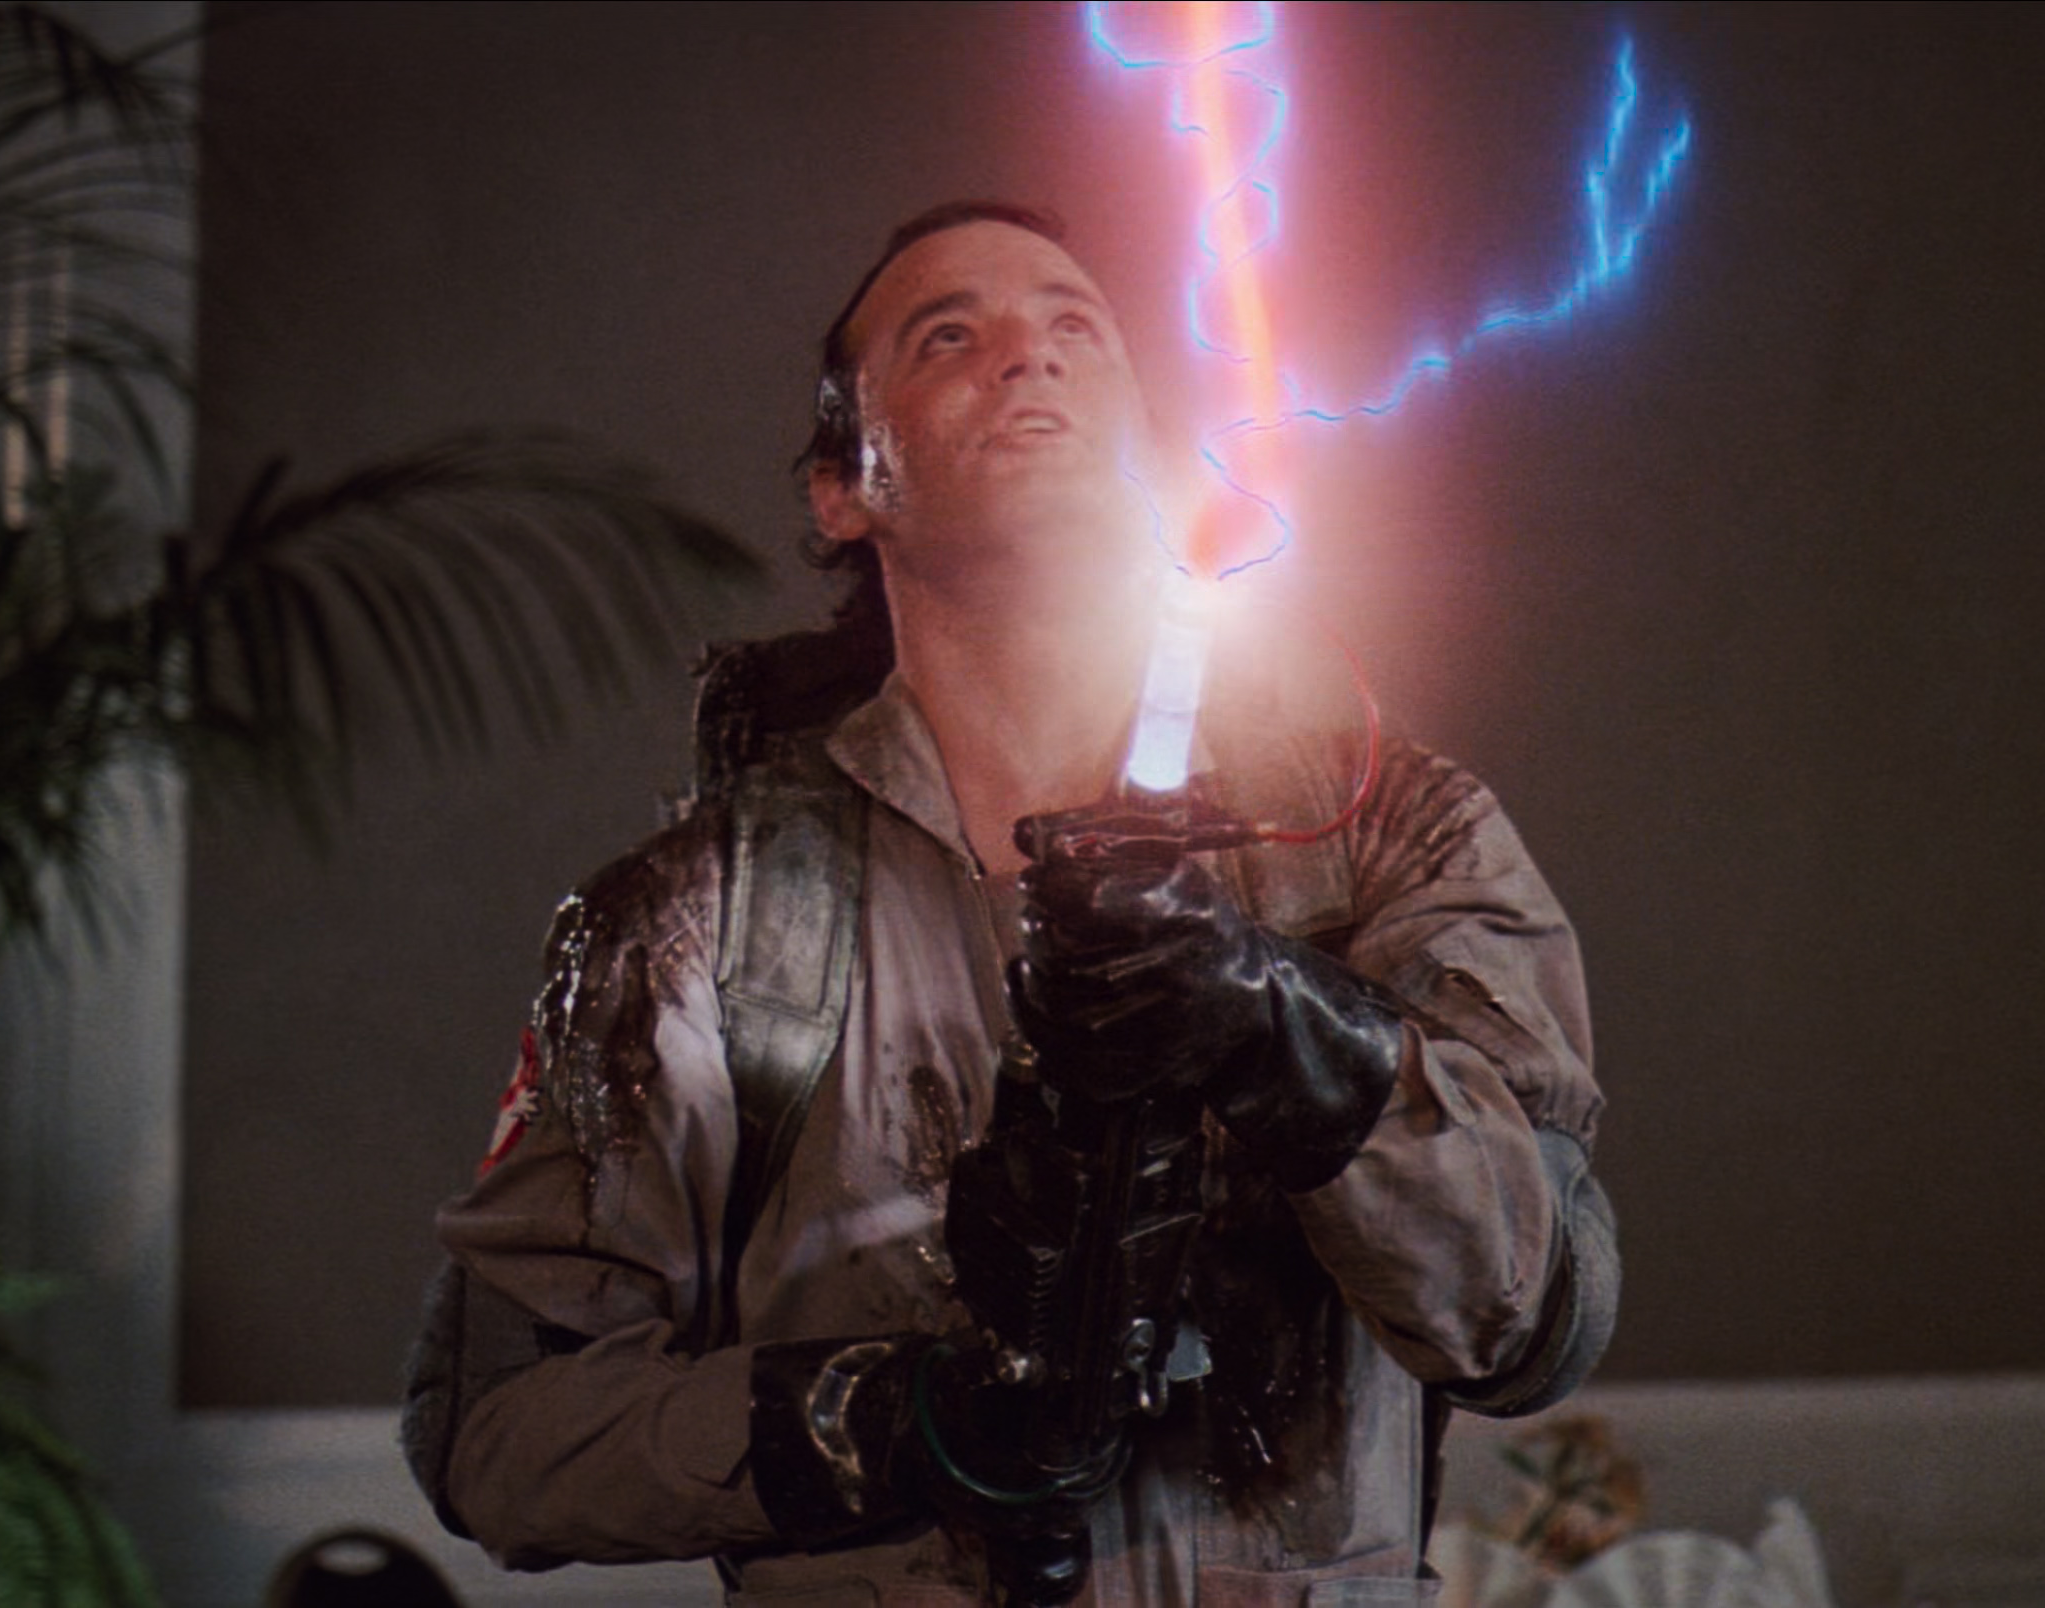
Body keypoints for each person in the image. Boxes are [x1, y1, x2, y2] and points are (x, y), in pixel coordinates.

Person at [400, 200, 1616, 1608]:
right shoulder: (701, 928)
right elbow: (494, 1430)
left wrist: (1286, 1033)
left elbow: (1536, 1320)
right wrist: (887, 1422)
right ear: (843, 487)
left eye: (1074, 328)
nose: (1028, 357)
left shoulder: (1390, 833)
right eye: (948, 337)